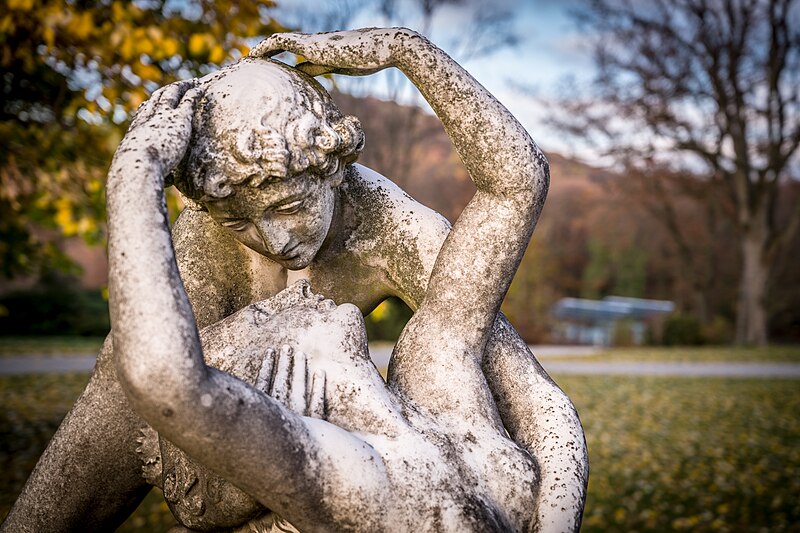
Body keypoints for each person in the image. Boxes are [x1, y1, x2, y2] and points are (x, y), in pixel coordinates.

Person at [1, 28, 587, 532]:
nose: (279, 249)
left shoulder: (423, 357)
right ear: (297, 392)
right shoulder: (358, 467)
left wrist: (406, 51)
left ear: (331, 169)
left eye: (286, 206)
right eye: (237, 221)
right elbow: (147, 392)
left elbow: (536, 399)